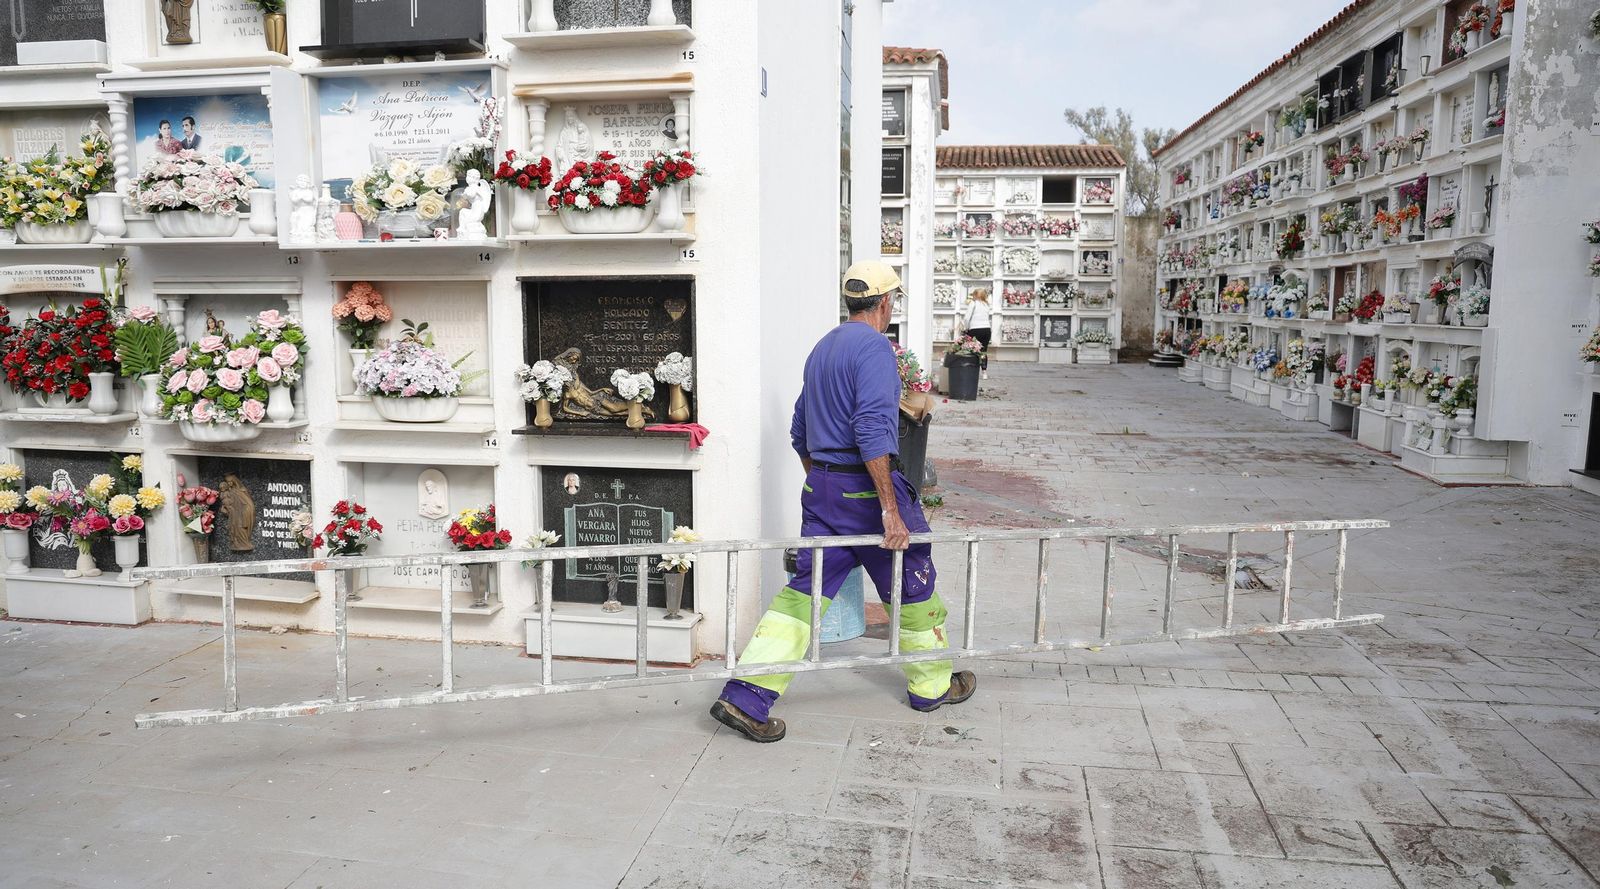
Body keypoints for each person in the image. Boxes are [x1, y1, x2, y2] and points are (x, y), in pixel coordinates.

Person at [709, 261, 976, 743]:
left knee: (805, 592)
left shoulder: (823, 347)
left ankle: (746, 694)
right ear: (886, 303)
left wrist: (824, 483)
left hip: (823, 490)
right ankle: (933, 686)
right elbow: (873, 431)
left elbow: (799, 431)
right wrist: (889, 508)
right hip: (866, 491)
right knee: (911, 578)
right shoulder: (875, 349)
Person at [961, 288, 993, 379]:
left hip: (975, 329)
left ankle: (971, 370)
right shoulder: (987, 305)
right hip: (986, 330)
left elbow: (967, 318)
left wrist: (966, 328)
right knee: (983, 351)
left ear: (976, 295)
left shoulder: (973, 303)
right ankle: (984, 372)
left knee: (971, 350)